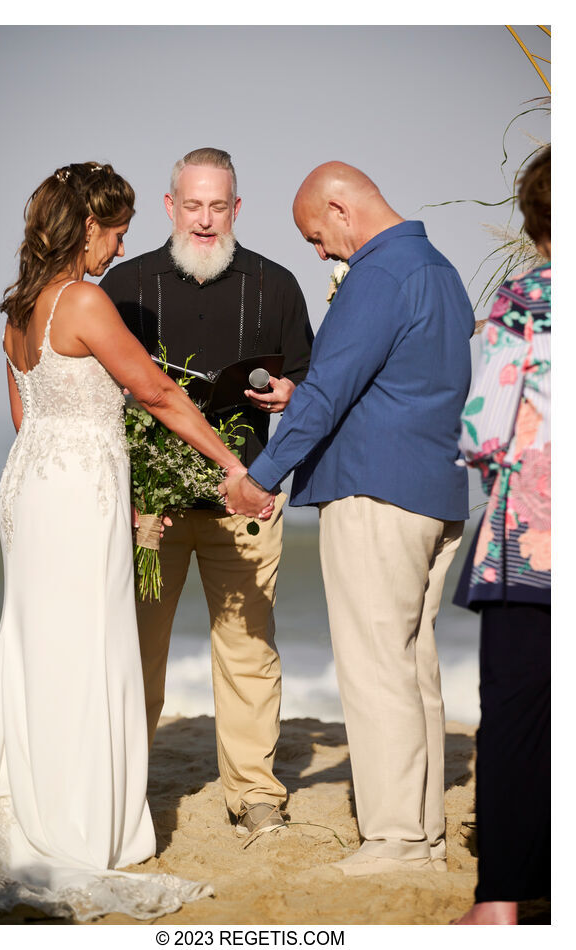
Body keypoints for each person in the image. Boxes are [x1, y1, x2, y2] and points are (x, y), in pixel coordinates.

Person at [0, 162, 265, 922]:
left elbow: (30, 421)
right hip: (74, 490)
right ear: (88, 226)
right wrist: (230, 466)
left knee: (37, 647)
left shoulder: (19, 308)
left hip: (32, 485)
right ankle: (78, 822)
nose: (122, 247)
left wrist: (102, 491)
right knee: (86, 646)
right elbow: (156, 393)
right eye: (118, 232)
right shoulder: (83, 300)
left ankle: (30, 799)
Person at [222, 161, 474, 874]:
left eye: (317, 235)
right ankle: (420, 835)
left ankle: (394, 840)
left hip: (375, 493)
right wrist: (307, 394)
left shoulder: (379, 275)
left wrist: (259, 477)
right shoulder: (441, 271)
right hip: (434, 493)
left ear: (341, 207)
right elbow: (404, 381)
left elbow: (333, 396)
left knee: (374, 670)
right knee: (411, 666)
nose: (321, 252)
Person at [100, 147, 313, 837]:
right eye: (191, 205)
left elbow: (309, 386)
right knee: (134, 652)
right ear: (169, 207)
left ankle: (254, 796)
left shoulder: (276, 285)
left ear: (236, 209)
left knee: (250, 653)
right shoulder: (123, 286)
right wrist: (130, 498)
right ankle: (119, 788)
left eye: (217, 206)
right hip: (148, 506)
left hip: (242, 499)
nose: (203, 219)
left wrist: (290, 395)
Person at [452, 147, 551, 925]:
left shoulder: (525, 299)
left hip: (534, 538)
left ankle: (502, 901)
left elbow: (484, 428)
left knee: (517, 711)